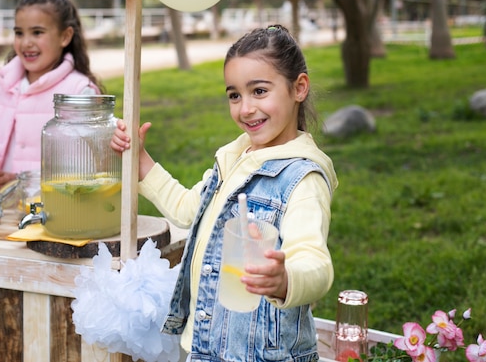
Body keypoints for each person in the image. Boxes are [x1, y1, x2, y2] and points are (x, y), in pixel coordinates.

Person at [111, 24, 338, 361]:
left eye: (259, 91)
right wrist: (141, 162)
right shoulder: (235, 157)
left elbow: (315, 262)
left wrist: (286, 279)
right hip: (207, 346)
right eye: (235, 95)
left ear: (298, 88)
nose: (245, 108)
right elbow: (189, 209)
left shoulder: (301, 178)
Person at [0, 0, 104, 192]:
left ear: (65, 36)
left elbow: (84, 169)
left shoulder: (79, 92)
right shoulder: (0, 84)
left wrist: (21, 183)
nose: (26, 43)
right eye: (19, 33)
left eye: (37, 32)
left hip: (50, 215)